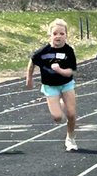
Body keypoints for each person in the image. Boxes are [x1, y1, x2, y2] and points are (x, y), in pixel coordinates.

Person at [26, 18, 80, 151]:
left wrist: (60, 70)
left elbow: (70, 71)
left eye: (62, 34)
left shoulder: (69, 51)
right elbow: (32, 62)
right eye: (55, 33)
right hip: (50, 86)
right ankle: (60, 104)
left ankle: (70, 138)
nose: (58, 36)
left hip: (66, 84)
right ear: (50, 35)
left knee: (71, 114)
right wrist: (29, 78)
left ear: (66, 35)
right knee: (57, 117)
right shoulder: (43, 52)